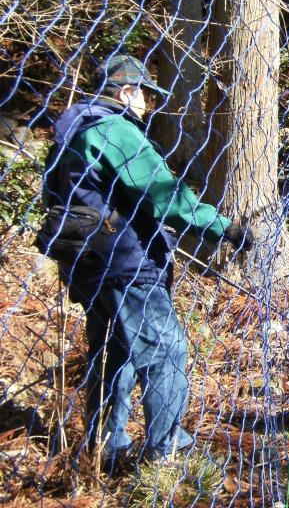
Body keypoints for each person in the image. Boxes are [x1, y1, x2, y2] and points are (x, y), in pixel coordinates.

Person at [39, 55, 253, 470]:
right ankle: (169, 450)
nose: (148, 107)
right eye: (146, 97)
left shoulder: (72, 131)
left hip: (86, 263)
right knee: (165, 348)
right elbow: (162, 193)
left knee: (112, 351)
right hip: (124, 264)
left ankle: (106, 446)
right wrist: (222, 228)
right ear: (126, 92)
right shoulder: (114, 130)